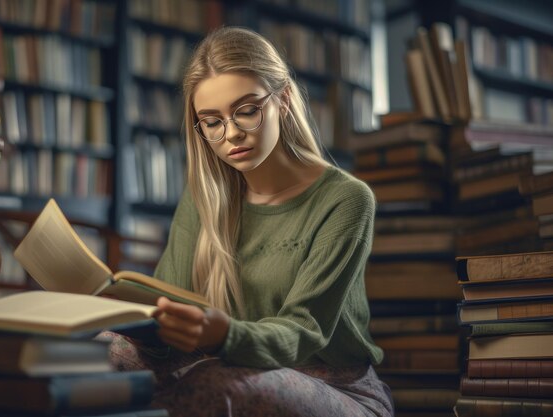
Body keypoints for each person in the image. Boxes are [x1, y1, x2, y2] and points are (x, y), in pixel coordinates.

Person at [103, 26, 394, 417]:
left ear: (284, 100)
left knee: (210, 384)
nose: (232, 134)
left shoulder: (345, 199)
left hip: (332, 383)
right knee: (98, 350)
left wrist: (224, 335)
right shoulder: (203, 197)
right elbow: (168, 305)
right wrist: (137, 323)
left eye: (247, 111)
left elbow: (302, 331)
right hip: (219, 361)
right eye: (212, 121)